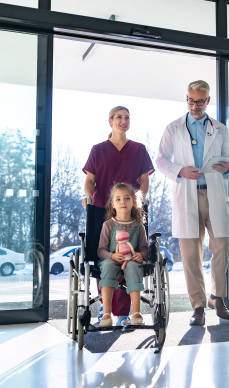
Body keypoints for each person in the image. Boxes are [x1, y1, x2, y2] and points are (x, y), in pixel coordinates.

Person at [156, 80, 229, 326]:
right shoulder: (173, 128)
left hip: (214, 194)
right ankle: (198, 306)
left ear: (208, 101)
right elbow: (160, 160)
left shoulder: (220, 129)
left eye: (200, 101)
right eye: (190, 100)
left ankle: (217, 297)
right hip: (187, 193)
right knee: (191, 253)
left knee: (221, 243)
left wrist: (227, 167)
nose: (195, 105)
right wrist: (180, 171)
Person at [82, 106, 154, 326]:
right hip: (103, 207)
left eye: (127, 118)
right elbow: (90, 180)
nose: (124, 121)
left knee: (129, 257)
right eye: (119, 117)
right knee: (105, 255)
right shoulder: (98, 149)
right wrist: (88, 197)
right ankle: (106, 306)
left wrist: (140, 198)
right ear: (110, 121)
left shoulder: (139, 149)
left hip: (130, 209)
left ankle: (124, 311)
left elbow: (144, 180)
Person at [97, 183, 148, 327]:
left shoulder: (139, 226)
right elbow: (101, 251)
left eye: (127, 198)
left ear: (134, 202)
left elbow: (144, 249)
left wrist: (140, 255)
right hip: (112, 259)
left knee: (133, 266)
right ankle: (106, 313)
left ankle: (136, 312)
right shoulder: (108, 225)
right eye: (118, 199)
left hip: (131, 260)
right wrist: (112, 256)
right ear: (113, 204)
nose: (123, 202)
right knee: (107, 265)